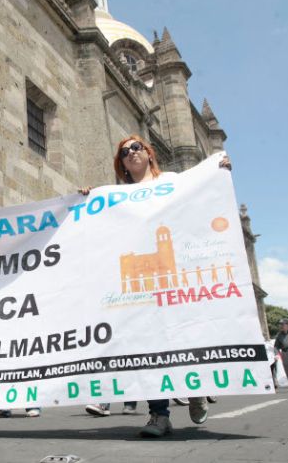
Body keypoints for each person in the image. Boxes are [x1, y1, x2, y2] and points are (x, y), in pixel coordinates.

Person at [80, 135, 231, 437]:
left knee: (182, 337)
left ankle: (196, 389)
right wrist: (88, 198)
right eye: (125, 152)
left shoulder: (174, 180)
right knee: (146, 346)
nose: (131, 153)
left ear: (149, 154)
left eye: (137, 148)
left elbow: (200, 195)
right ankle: (159, 415)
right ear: (121, 164)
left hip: (175, 273)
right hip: (140, 285)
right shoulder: (116, 197)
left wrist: (217, 171)